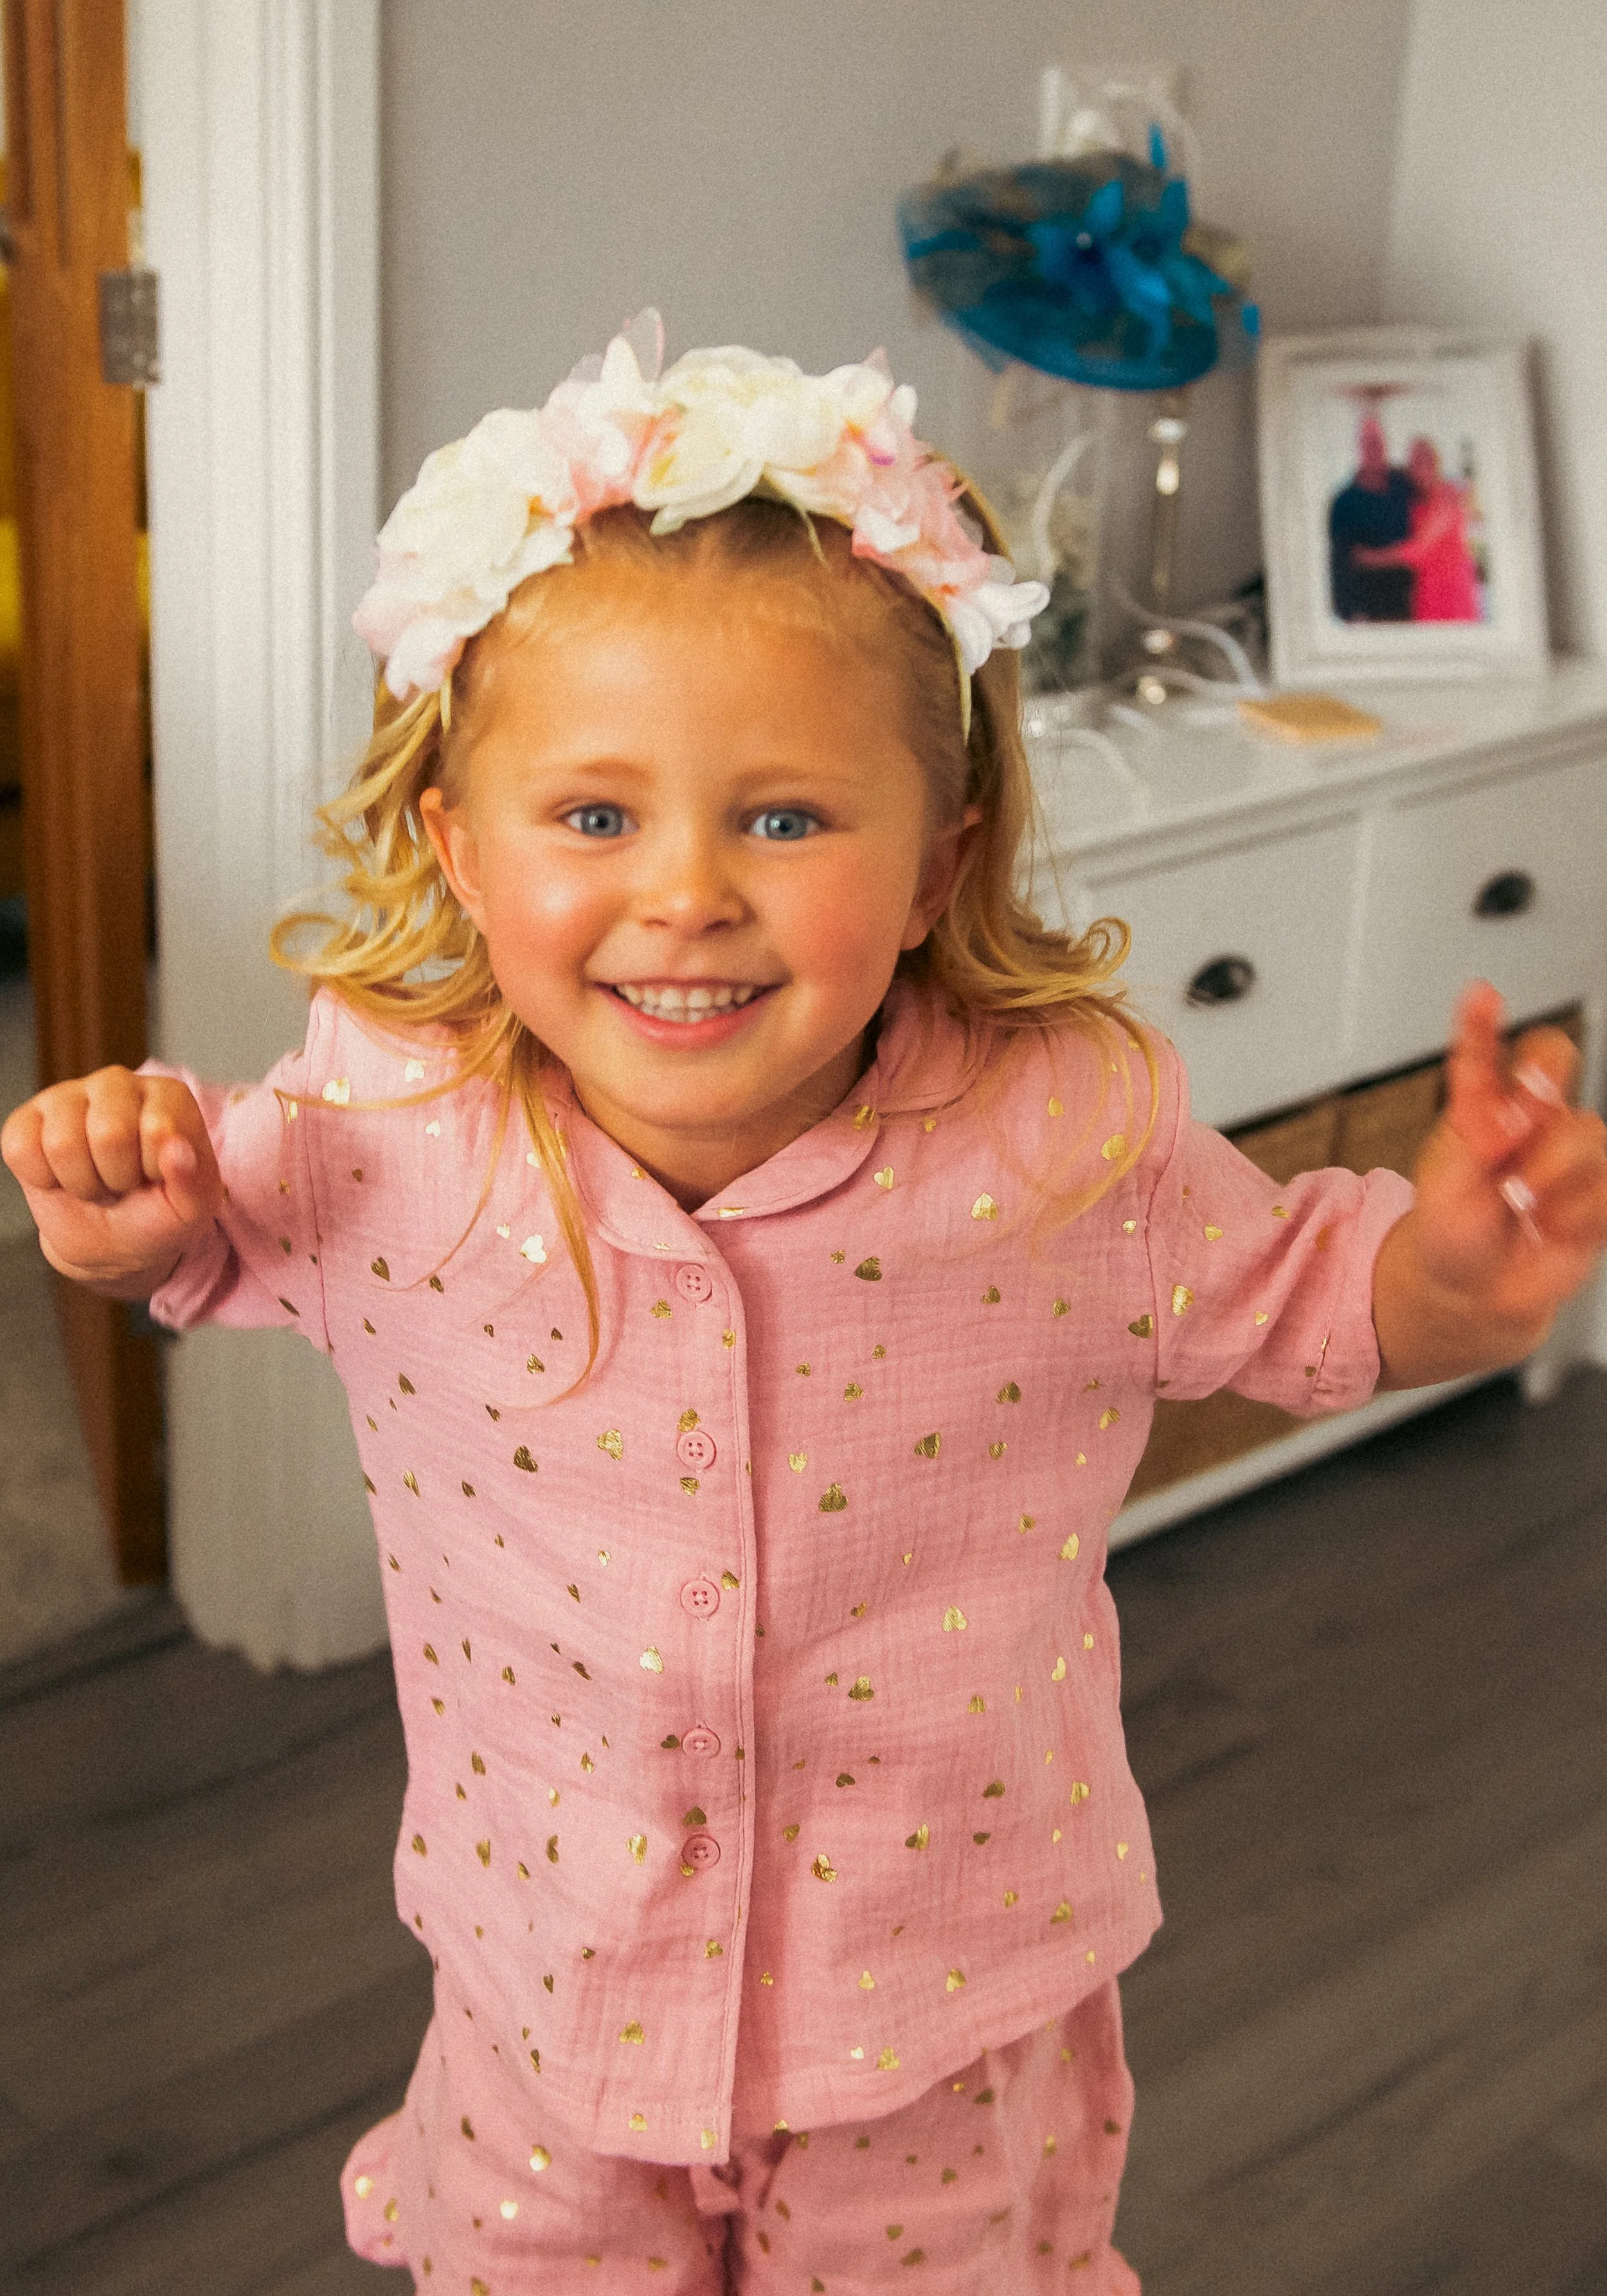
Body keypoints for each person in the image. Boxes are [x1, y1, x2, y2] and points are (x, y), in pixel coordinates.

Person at [6, 320, 1605, 2295]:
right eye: (594, 816)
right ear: (459, 847)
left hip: (933, 2003)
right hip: (549, 1979)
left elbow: (1312, 1297)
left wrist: (1445, 1274)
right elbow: (198, 1238)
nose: (685, 890)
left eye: (781, 817)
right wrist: (116, 1213)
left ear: (936, 861)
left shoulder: (1056, 1143)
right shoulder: (385, 1123)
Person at [1352, 435, 1483, 622]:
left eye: (1426, 460)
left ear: (1437, 462)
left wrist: (1372, 558)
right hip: (1426, 593)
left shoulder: (1449, 495)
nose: (1420, 469)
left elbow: (1418, 549)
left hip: (1454, 591)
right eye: (1414, 464)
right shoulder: (1414, 502)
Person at [1327, 411, 1415, 622]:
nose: (1374, 449)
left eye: (1378, 443)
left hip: (1413, 607)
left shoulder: (1403, 483)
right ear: (1360, 448)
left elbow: (1434, 493)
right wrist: (1350, 614)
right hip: (1371, 613)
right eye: (1368, 444)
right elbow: (1340, 565)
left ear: (1385, 444)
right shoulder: (1344, 502)